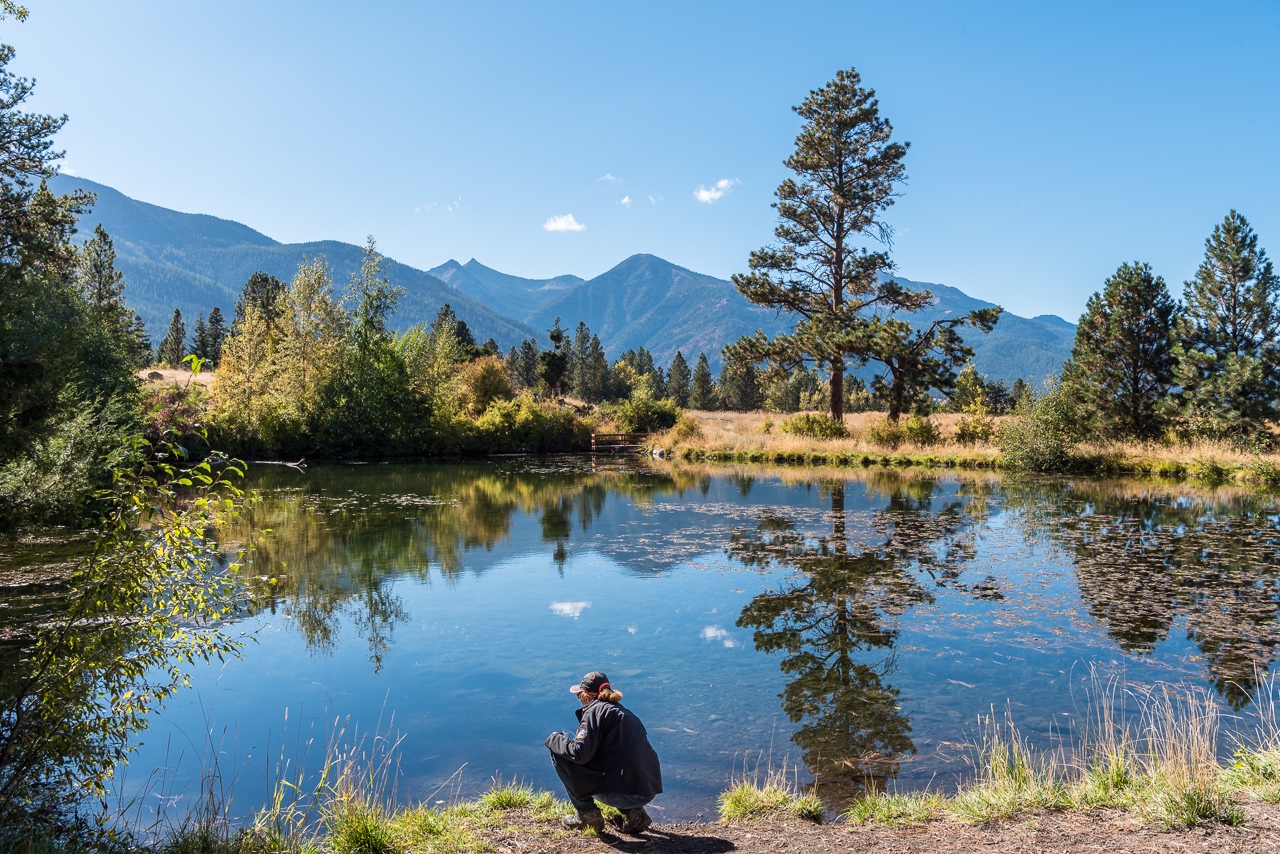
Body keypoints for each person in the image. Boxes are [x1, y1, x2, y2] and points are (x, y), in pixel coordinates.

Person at [545, 671, 662, 834]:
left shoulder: (594, 712)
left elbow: (579, 754)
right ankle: (636, 813)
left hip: (623, 795)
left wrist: (554, 739)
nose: (580, 701)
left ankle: (587, 815)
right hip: (647, 790)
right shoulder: (624, 713)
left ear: (586, 696)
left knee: (559, 753)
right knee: (616, 764)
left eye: (579, 696)